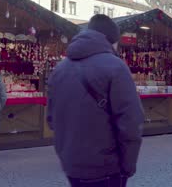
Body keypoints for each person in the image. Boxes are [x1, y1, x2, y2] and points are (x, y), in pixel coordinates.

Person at [47, 14, 144, 187]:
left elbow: (52, 119)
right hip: (106, 167)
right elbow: (131, 123)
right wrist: (128, 167)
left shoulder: (60, 69)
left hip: (71, 165)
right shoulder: (116, 66)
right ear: (112, 40)